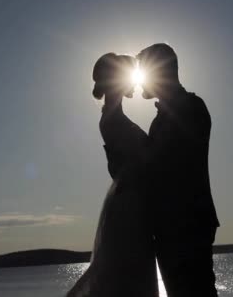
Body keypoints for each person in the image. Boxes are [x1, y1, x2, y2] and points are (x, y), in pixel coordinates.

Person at [66, 53, 159, 297]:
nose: (135, 83)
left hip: (132, 203)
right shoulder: (112, 119)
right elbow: (139, 163)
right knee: (128, 272)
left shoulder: (113, 116)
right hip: (128, 207)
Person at [138, 43, 220, 296]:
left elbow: (157, 164)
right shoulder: (164, 116)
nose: (140, 83)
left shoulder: (191, 107)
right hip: (170, 227)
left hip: (187, 225)